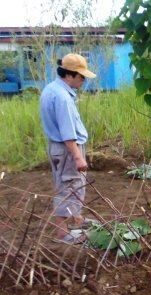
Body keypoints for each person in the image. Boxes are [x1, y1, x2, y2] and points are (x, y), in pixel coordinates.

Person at [40, 53, 97, 244]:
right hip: (67, 149)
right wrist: (78, 157)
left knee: (70, 185)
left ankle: (77, 219)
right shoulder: (62, 97)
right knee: (69, 187)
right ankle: (63, 233)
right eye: (81, 77)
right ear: (69, 74)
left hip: (58, 148)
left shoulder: (51, 89)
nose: (83, 81)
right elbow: (67, 133)